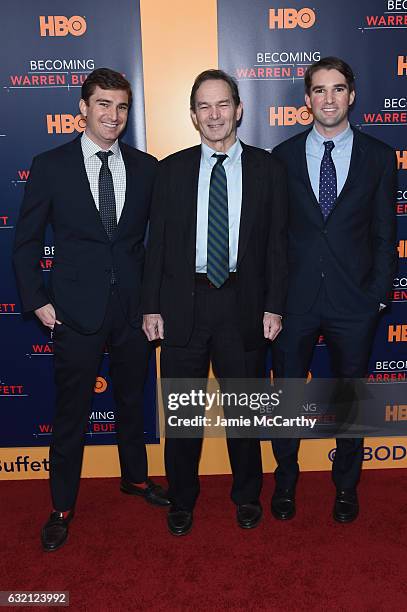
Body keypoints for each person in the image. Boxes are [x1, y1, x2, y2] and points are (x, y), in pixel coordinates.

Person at [13, 67, 170, 552]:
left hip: (131, 313)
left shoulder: (147, 167)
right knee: (71, 414)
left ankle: (135, 479)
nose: (113, 115)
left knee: (131, 402)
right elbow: (25, 243)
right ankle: (61, 506)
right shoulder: (50, 164)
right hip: (73, 313)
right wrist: (37, 300)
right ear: (83, 108)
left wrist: (152, 305)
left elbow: (157, 246)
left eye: (121, 107)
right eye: (103, 104)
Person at [141, 69, 288, 536]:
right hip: (184, 304)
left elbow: (277, 247)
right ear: (192, 115)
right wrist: (151, 307)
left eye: (222, 104)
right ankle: (181, 497)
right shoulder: (172, 169)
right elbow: (156, 246)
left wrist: (275, 306)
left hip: (244, 303)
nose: (214, 114)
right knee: (184, 412)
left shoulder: (268, 168)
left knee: (244, 411)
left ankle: (247, 495)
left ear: (239, 109)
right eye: (204, 106)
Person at [270, 57, 397, 523]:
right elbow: (273, 237)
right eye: (319, 91)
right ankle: (285, 483)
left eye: (338, 89)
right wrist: (272, 300)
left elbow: (386, 234)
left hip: (354, 304)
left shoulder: (380, 157)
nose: (329, 98)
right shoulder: (280, 158)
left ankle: (346, 486)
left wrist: (378, 296)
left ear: (352, 96)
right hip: (293, 303)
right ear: (306, 100)